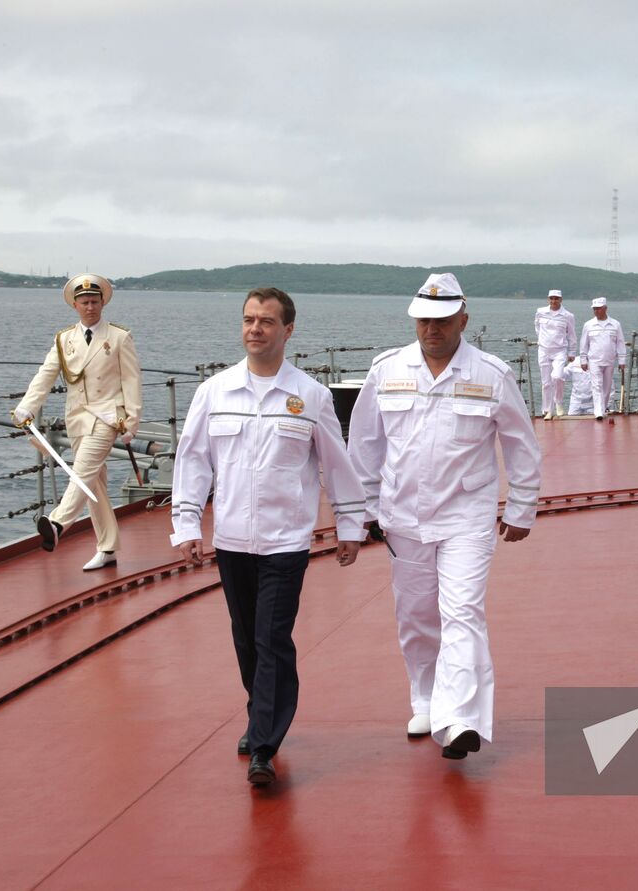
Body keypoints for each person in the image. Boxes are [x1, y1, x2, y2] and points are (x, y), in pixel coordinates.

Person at [170, 287, 366, 787]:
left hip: (285, 541)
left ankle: (264, 745)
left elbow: (336, 466)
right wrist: (187, 525)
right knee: (246, 641)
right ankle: (261, 712)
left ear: (288, 331)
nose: (255, 329)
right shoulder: (214, 392)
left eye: (266, 321)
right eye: (248, 320)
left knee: (272, 638)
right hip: (233, 539)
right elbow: (193, 461)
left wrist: (349, 525)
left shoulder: (311, 397)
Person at [348, 272, 542, 760]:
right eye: (423, 320)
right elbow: (365, 445)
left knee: (462, 612)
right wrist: (363, 510)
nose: (431, 329)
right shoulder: (386, 371)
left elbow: (521, 444)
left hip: (466, 516)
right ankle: (426, 699)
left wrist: (522, 505)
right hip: (403, 515)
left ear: (463, 320)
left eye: (441, 320)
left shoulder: (491, 374)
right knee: (416, 615)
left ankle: (460, 720)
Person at [14, 274, 142, 571]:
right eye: (84, 302)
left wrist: (131, 421)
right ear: (75, 304)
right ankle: (108, 548)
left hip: (108, 416)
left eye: (95, 301)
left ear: (102, 303)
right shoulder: (64, 339)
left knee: (82, 470)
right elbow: (46, 375)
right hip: (77, 418)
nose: (90, 307)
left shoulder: (119, 337)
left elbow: (132, 380)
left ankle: (58, 524)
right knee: (93, 482)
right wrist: (26, 407)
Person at [578, 298, 627, 420]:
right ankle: (598, 412)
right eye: (594, 309)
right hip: (594, 360)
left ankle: (603, 408)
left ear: (605, 308)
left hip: (610, 360)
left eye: (599, 308)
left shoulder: (615, 324)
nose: (596, 311)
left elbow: (620, 343)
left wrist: (622, 361)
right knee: (596, 385)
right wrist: (583, 360)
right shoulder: (588, 325)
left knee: (607, 386)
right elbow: (584, 343)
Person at [534, 289, 577, 420]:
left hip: (559, 351)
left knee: (557, 377)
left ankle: (558, 402)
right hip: (543, 350)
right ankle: (547, 410)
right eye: (551, 298)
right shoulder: (540, 312)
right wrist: (542, 341)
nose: (553, 301)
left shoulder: (567, 316)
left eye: (556, 298)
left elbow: (571, 335)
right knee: (546, 382)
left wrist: (572, 352)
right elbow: (537, 328)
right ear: (548, 299)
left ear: (561, 300)